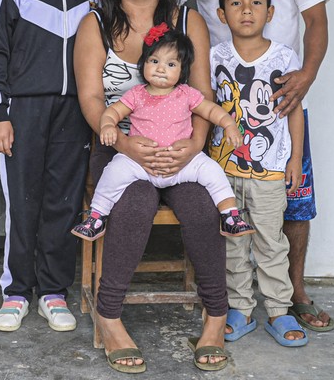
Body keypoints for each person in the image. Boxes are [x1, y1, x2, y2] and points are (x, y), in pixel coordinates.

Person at [173, 0, 334, 333]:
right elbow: (170, 17)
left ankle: (293, 294)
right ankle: (232, 300)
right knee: (227, 208)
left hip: (283, 103)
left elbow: (316, 21)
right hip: (217, 106)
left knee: (293, 200)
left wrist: (306, 75)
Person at [74, 0, 231, 373]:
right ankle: (109, 315)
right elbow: (91, 99)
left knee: (200, 205)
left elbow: (202, 96)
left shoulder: (188, 21)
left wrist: (194, 145)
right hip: (118, 149)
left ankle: (216, 317)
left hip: (182, 148)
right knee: (137, 200)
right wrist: (126, 144)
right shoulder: (95, 23)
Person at [0, 0, 98, 334]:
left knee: (63, 201)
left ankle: (52, 291)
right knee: (22, 201)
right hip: (23, 110)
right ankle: (16, 291)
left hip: (76, 111)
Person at [71, 25, 252, 241]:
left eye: (171, 64)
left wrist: (229, 125)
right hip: (141, 164)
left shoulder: (187, 94)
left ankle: (230, 215)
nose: (160, 69)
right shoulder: (137, 94)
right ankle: (96, 217)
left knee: (212, 170)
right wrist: (108, 125)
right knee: (114, 170)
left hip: (181, 165)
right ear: (144, 63)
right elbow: (113, 112)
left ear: (182, 70)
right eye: (154, 61)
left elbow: (211, 110)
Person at [209, 0, 308, 346]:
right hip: (223, 171)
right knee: (232, 243)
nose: (246, 10)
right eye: (236, 3)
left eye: (256, 3)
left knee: (271, 242)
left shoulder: (284, 57)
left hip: (270, 171)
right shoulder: (215, 57)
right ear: (222, 14)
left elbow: (294, 110)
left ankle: (279, 310)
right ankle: (241, 309)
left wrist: (295, 159)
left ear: (270, 12)